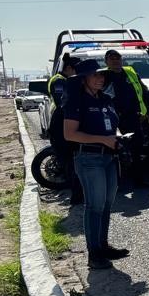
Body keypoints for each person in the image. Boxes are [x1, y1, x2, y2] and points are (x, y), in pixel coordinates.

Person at [62, 59, 129, 269]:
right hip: (89, 159)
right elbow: (70, 134)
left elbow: (112, 126)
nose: (100, 79)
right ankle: (94, 255)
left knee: (107, 204)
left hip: (109, 158)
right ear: (83, 79)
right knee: (95, 206)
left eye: (101, 75)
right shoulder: (76, 101)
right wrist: (103, 140)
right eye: (95, 75)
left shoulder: (106, 99)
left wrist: (119, 137)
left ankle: (103, 246)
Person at [48, 54, 84, 205]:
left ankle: (77, 193)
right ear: (69, 68)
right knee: (70, 162)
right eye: (77, 70)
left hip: (66, 124)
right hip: (60, 126)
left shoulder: (68, 80)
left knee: (73, 161)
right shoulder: (59, 81)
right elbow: (63, 103)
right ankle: (76, 198)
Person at [102, 48, 148, 133]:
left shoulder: (132, 74)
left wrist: (147, 114)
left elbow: (145, 94)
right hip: (113, 119)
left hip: (135, 118)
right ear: (106, 61)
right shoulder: (102, 76)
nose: (115, 61)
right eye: (112, 59)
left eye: (118, 58)